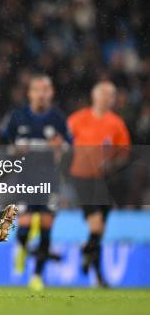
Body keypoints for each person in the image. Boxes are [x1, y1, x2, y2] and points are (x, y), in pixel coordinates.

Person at [0, 75, 70, 291]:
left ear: (52, 93)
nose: (41, 93)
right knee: (25, 225)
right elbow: (4, 145)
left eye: (46, 89)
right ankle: (21, 247)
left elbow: (68, 149)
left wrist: (61, 149)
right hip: (26, 180)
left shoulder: (58, 119)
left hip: (50, 180)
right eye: (37, 89)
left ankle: (38, 276)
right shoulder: (17, 117)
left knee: (47, 226)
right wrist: (14, 151)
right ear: (30, 93)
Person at [67, 81, 131, 287]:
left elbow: (124, 153)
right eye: (103, 93)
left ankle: (97, 273)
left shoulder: (116, 123)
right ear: (94, 96)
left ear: (113, 99)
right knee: (96, 224)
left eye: (110, 95)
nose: (106, 98)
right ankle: (87, 252)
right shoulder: (77, 119)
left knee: (99, 230)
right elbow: (61, 144)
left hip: (105, 181)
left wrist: (112, 163)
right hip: (82, 178)